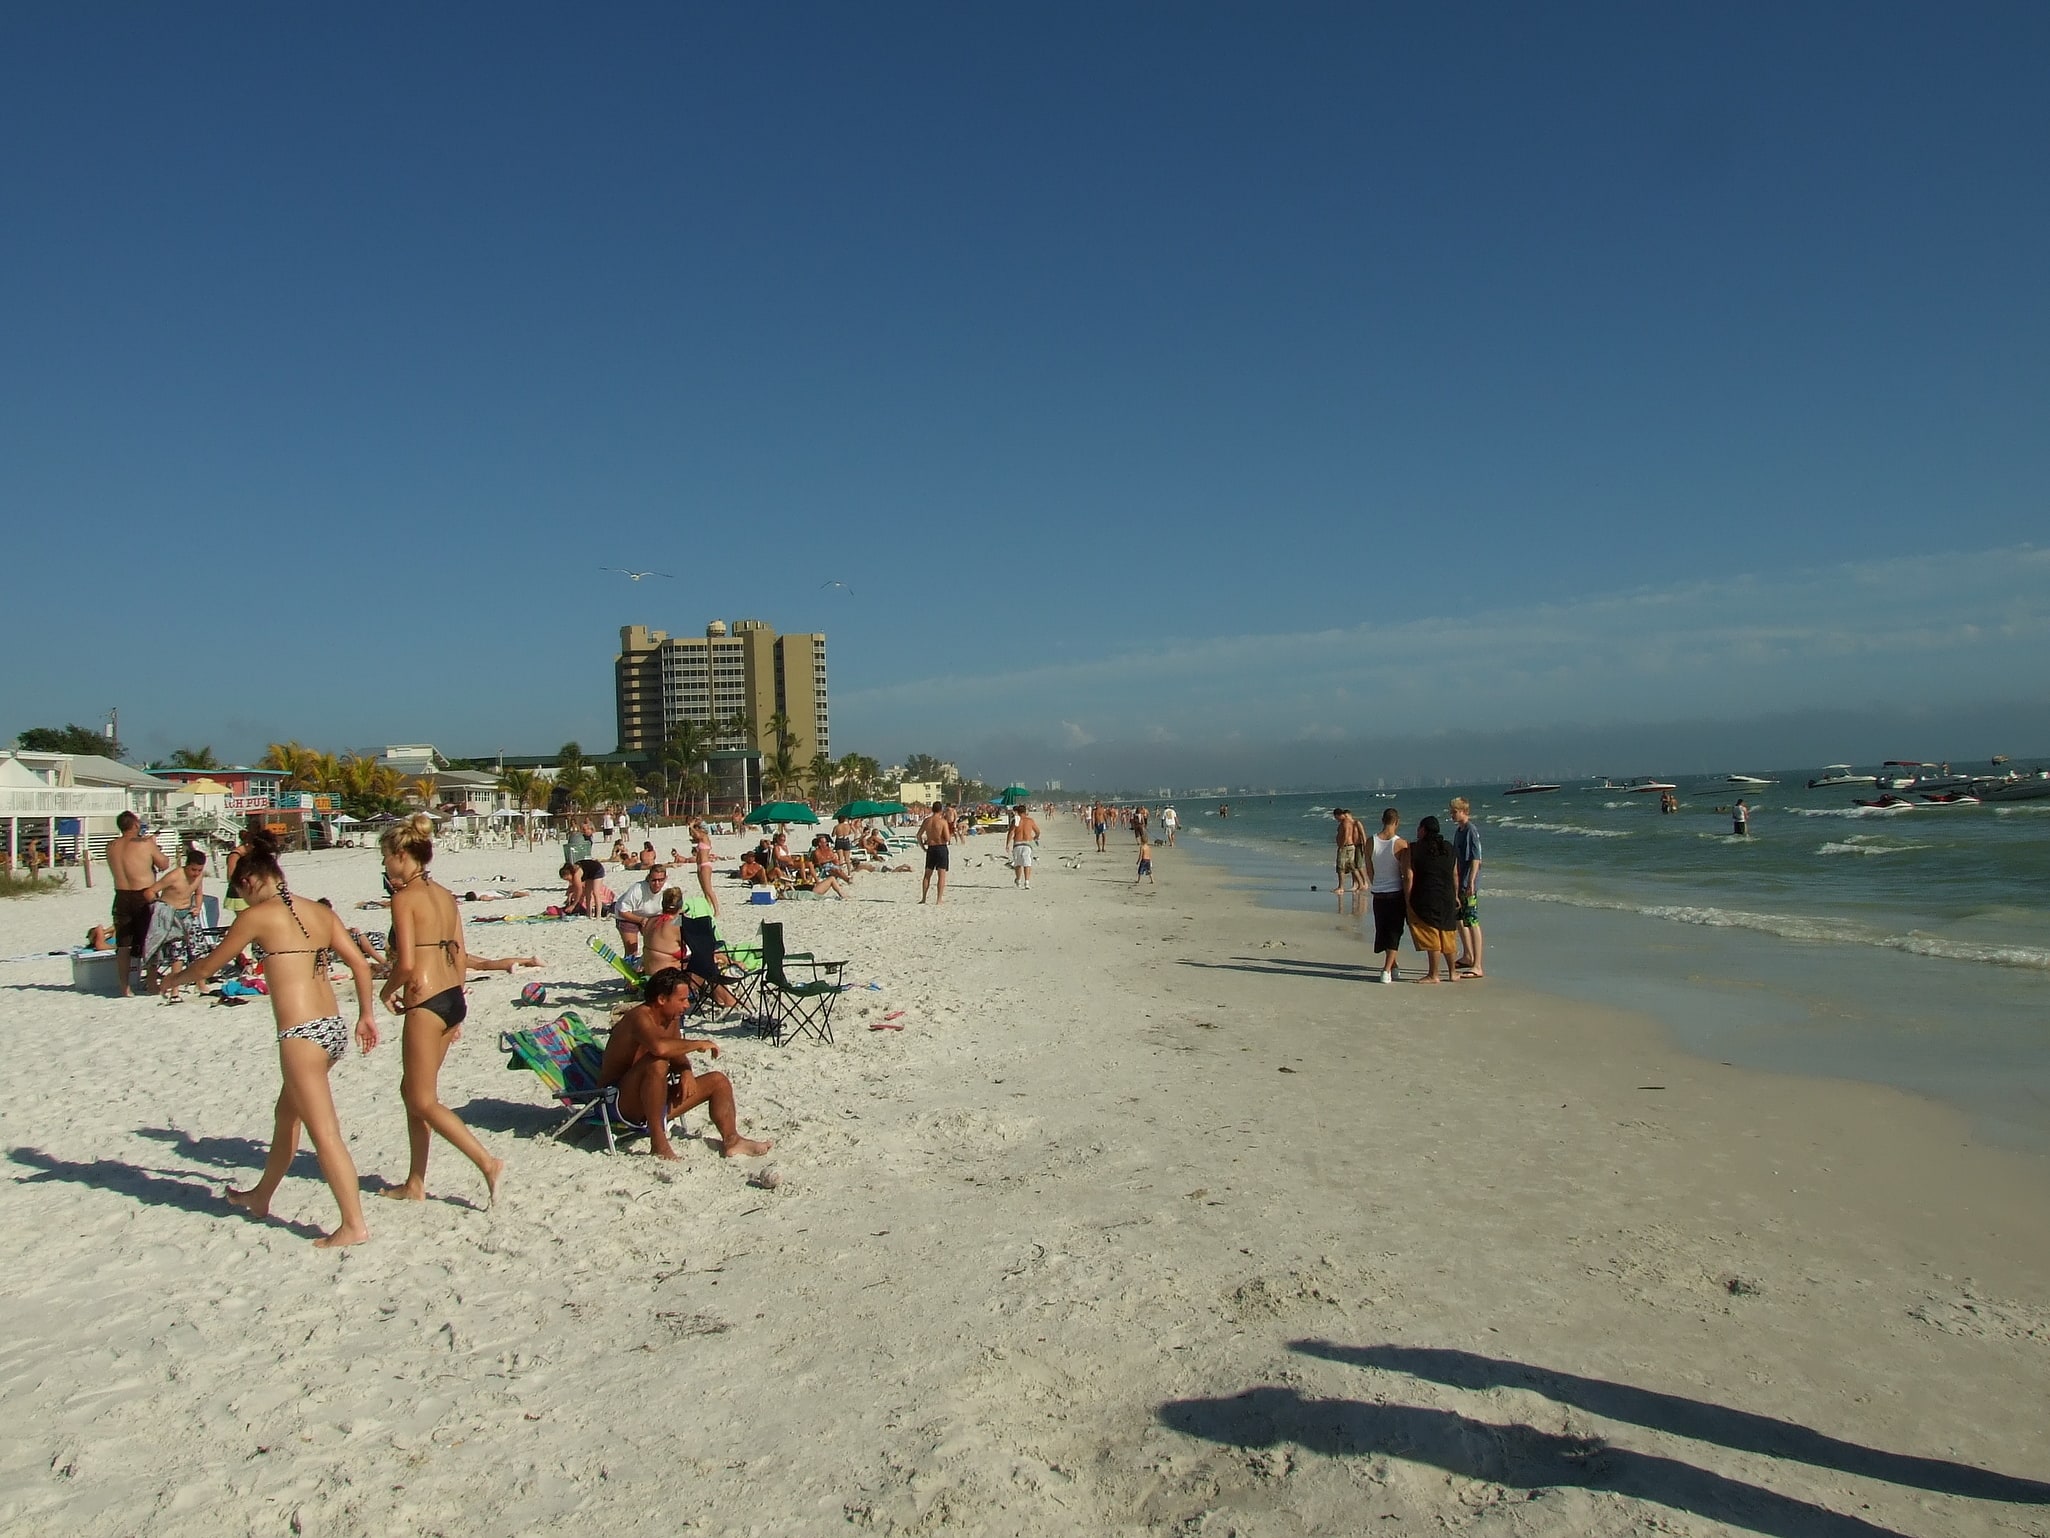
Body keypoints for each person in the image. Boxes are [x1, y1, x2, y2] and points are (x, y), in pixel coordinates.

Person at [158, 830, 379, 1247]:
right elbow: (361, 966)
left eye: (241, 892)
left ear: (251, 882)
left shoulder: (256, 916)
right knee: (286, 1116)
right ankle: (261, 1196)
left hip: (300, 1035)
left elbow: (207, 968)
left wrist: (174, 978)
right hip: (331, 1029)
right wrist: (366, 1015)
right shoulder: (319, 912)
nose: (242, 902)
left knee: (324, 1132)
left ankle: (353, 1224)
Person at [375, 814, 506, 1206]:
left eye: (385, 857)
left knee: (422, 1100)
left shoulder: (404, 897)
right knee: (413, 1091)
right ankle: (415, 1182)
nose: (384, 865)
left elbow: (407, 963)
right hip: (452, 998)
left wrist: (385, 991)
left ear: (402, 855)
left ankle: (487, 1162)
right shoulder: (445, 894)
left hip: (426, 1000)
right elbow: (461, 953)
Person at [597, 969, 774, 1161]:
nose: (687, 1005)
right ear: (662, 999)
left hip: (652, 1101)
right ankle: (658, 1142)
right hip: (618, 1101)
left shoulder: (670, 1019)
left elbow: (676, 1053)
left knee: (718, 1081)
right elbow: (660, 1048)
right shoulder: (639, 1017)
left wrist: (686, 1070)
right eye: (681, 1000)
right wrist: (697, 1044)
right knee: (657, 1062)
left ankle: (732, 1140)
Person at [106, 811, 170, 997]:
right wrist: (154, 846)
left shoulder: (111, 846)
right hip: (144, 895)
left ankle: (125, 986)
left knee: (123, 945)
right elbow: (164, 864)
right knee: (151, 940)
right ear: (134, 825)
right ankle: (151, 983)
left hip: (121, 895)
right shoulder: (145, 845)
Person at [141, 845, 210, 996]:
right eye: (193, 870)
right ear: (187, 865)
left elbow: (198, 893)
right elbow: (150, 891)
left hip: (187, 913)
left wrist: (197, 907)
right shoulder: (174, 876)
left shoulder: (199, 876)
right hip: (169, 914)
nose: (196, 873)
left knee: (198, 949)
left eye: (199, 870)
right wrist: (158, 907)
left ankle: (200, 982)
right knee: (160, 949)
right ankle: (159, 985)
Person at [1406, 816, 1461, 984]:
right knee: (1447, 934)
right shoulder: (1449, 848)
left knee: (1432, 935)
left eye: (1418, 829)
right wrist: (1456, 895)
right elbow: (1455, 874)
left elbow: (1409, 875)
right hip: (1447, 896)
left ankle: (1433, 974)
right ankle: (1452, 973)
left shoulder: (1414, 848)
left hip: (1425, 895)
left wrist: (1407, 899)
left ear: (1423, 830)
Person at [1366, 808, 1410, 983]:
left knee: (1384, 930)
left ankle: (1393, 965)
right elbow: (1406, 872)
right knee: (1394, 932)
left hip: (1378, 892)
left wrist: (1376, 882)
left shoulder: (1371, 841)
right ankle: (1386, 970)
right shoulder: (1400, 844)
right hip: (1395, 892)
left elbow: (1369, 869)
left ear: (1382, 820)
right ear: (1397, 822)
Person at [1449, 797, 1484, 979]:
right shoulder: (1459, 831)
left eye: (1455, 811)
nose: (1452, 814)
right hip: (1459, 883)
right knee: (1459, 919)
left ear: (1464, 811)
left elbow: (1476, 858)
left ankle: (1478, 964)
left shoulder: (1471, 830)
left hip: (1468, 883)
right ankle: (1468, 955)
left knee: (1472, 921)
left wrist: (1471, 881)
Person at [613, 865, 670, 963]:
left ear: (665, 879)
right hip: (627, 916)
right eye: (654, 880)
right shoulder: (637, 889)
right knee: (632, 950)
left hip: (651, 917)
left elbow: (675, 911)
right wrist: (641, 920)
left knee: (656, 946)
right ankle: (628, 977)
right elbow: (622, 911)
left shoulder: (668, 889)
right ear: (649, 878)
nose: (657, 884)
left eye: (660, 880)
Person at [645, 886, 687, 975]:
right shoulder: (676, 925)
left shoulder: (650, 921)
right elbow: (698, 946)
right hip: (667, 978)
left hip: (650, 975)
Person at [918, 803, 953, 904]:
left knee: (927, 875)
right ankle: (939, 899)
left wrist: (923, 847)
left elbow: (918, 835)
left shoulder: (927, 821)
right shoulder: (942, 822)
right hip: (941, 848)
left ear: (932, 809)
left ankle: (924, 898)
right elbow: (947, 838)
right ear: (941, 810)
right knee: (941, 875)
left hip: (931, 848)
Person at [1333, 808, 1369, 896]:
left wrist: (1341, 845)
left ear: (1338, 815)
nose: (1336, 819)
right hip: (1351, 847)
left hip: (1347, 847)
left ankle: (1341, 887)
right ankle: (1359, 884)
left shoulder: (1347, 823)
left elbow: (1347, 834)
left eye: (1336, 817)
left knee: (1341, 867)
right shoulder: (1346, 822)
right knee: (1352, 866)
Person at [1008, 805, 1040, 889]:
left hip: (1017, 843)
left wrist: (1007, 844)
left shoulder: (1015, 821)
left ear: (1017, 812)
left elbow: (1011, 833)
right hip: (1027, 844)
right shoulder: (1030, 820)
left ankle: (1018, 880)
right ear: (1025, 812)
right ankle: (1027, 882)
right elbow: (1037, 831)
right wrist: (1036, 837)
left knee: (1018, 863)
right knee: (1027, 863)